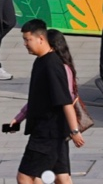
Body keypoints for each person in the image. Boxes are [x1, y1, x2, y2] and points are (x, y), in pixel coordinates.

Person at [10, 19, 84, 184]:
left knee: (25, 177)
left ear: (41, 39)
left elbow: (65, 101)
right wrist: (19, 118)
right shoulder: (42, 61)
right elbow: (38, 98)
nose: (25, 44)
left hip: (47, 133)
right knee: (61, 177)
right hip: (52, 131)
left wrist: (75, 131)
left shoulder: (52, 65)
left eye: (27, 39)